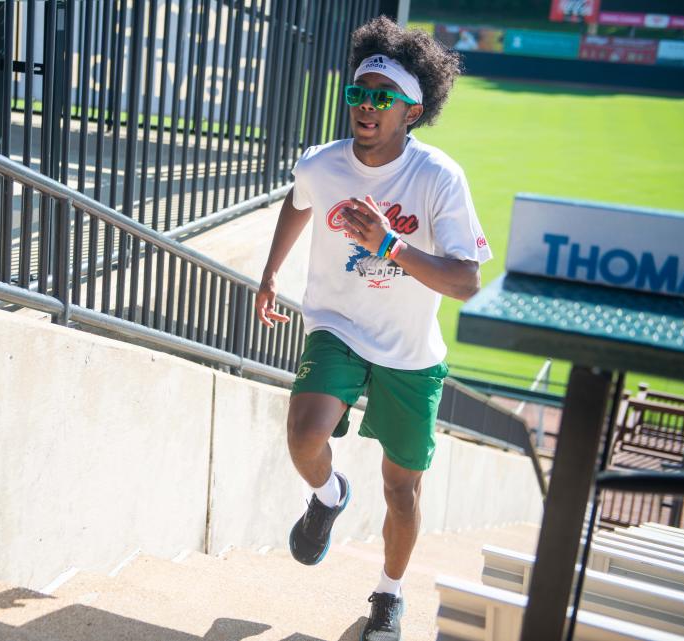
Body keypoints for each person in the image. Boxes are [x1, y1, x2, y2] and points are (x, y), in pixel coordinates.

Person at [255, 16, 491, 641]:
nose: (366, 107)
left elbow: (466, 281)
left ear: (412, 111)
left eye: (383, 98)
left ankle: (388, 596)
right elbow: (300, 200)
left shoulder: (440, 178)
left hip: (411, 351)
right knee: (305, 435)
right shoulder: (323, 163)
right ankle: (329, 495)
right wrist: (272, 270)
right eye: (359, 93)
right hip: (338, 325)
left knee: (401, 491)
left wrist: (391, 246)